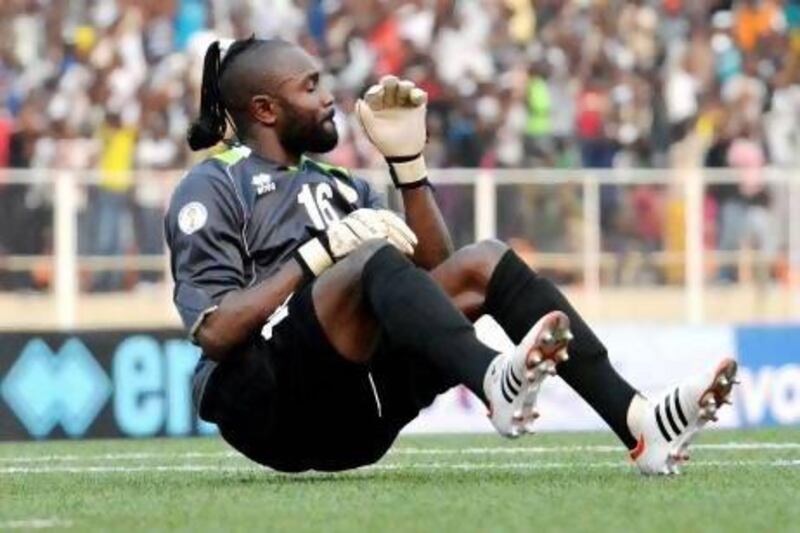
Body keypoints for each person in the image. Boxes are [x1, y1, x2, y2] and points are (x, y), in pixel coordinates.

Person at [164, 37, 737, 476]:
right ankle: (493, 379)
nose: (329, 96)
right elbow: (215, 334)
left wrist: (409, 167)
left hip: (358, 417)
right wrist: (320, 254)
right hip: (267, 408)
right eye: (310, 87)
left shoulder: (344, 185)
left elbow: (432, 278)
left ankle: (639, 424)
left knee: (482, 261)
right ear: (264, 109)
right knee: (367, 259)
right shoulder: (213, 186)